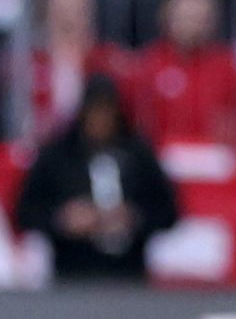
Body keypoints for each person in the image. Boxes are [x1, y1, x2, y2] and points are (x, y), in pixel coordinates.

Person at [14, 75, 181, 281]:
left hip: (129, 276)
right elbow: (25, 211)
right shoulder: (57, 155)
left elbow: (169, 210)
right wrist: (62, 219)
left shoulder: (139, 155)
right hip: (71, 274)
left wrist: (134, 217)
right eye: (94, 112)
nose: (100, 120)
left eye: (106, 112)